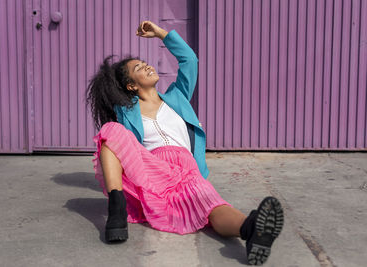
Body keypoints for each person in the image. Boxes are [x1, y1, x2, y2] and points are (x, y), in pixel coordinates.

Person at [86, 20, 284, 265]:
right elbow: (116, 147)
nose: (147, 66)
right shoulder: (126, 112)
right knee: (111, 131)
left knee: (209, 203)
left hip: (186, 169)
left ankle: (251, 229)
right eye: (139, 67)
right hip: (152, 168)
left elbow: (190, 61)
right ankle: (117, 209)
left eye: (145, 63)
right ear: (131, 85)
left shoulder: (177, 97)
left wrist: (162, 34)